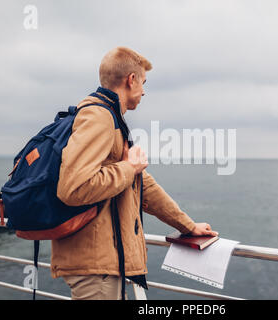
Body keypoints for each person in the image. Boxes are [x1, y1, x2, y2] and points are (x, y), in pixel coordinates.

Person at [51, 47, 219, 300]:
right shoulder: (100, 117)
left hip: (102, 264)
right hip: (96, 268)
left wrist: (187, 226)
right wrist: (129, 168)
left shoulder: (109, 118)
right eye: (143, 82)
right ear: (131, 80)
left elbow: (141, 185)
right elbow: (72, 187)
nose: (143, 91)